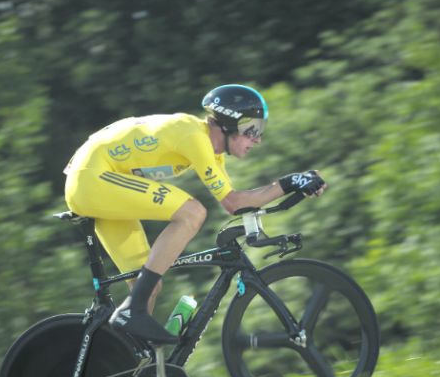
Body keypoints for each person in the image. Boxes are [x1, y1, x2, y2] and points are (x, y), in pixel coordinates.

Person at [63, 84, 327, 344]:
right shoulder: (193, 135)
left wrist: (293, 184)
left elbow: (241, 202)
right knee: (192, 213)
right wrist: (289, 182)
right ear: (227, 124)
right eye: (252, 130)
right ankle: (132, 309)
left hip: (102, 183)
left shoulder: (211, 152)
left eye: (260, 130)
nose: (257, 139)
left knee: (148, 286)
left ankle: (128, 369)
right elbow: (233, 204)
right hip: (92, 178)